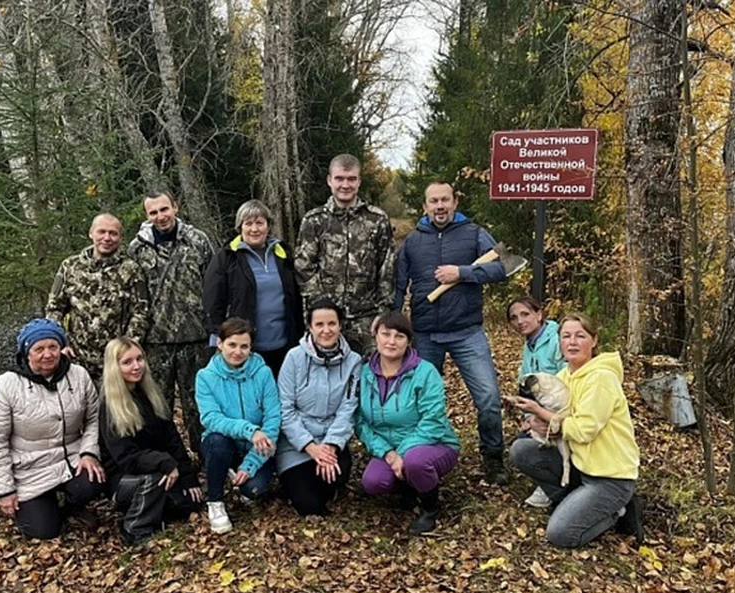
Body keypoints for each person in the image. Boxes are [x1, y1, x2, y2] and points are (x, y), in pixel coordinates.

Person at [393, 182, 509, 486]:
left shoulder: (474, 234)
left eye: (445, 199)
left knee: (488, 398)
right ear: (425, 206)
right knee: (418, 402)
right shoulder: (413, 242)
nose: (440, 205)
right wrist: (393, 323)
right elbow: (398, 286)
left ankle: (493, 457)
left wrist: (462, 273)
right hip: (426, 334)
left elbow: (500, 269)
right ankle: (420, 457)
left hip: (466, 332)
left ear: (454, 202)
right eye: (434, 201)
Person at [508, 313, 644, 548]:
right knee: (522, 449)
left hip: (609, 478)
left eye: (580, 336)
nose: (572, 342)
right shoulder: (564, 377)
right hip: (580, 467)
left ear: (594, 341)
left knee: (561, 534)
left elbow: (583, 431)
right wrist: (538, 424)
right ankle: (573, 500)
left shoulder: (601, 378)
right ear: (559, 342)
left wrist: (543, 416)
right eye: (566, 336)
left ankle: (617, 512)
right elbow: (557, 425)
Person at [0, 318, 105, 540]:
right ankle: (45, 507)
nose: (47, 354)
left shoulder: (78, 375)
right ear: (27, 352)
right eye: (39, 349)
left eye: (53, 347)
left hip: (71, 459)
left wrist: (88, 453)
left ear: (61, 348)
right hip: (29, 468)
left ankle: (72, 506)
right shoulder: (7, 385)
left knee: (94, 482)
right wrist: (4, 490)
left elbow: (93, 418)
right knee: (42, 531)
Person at [355, 312, 461, 535]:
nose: (391, 341)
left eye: (399, 336)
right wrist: (387, 453)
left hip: (434, 443)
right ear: (375, 336)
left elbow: (433, 421)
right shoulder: (364, 374)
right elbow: (360, 421)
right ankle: (410, 486)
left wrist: (401, 453)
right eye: (386, 334)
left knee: (415, 461)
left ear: (408, 341)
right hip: (389, 448)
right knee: (372, 482)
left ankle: (430, 509)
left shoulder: (425, 372)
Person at [127, 190, 215, 456]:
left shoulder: (197, 240)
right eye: (153, 212)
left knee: (198, 403)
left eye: (164, 209)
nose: (160, 216)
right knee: (158, 404)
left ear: (175, 207)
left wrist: (215, 330)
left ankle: (206, 455)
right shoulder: (136, 249)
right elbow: (133, 294)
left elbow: (213, 285)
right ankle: (166, 458)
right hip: (156, 341)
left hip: (196, 337)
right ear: (146, 215)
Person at [100, 337, 203, 546]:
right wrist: (165, 463)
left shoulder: (150, 393)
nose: (136, 366)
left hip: (160, 467)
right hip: (124, 478)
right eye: (127, 362)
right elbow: (126, 459)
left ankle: (157, 506)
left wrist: (187, 476)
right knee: (154, 480)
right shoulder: (110, 407)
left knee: (191, 503)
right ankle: (134, 528)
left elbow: (172, 438)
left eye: (139, 359)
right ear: (115, 367)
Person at [295, 153, 395, 354]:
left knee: (369, 377)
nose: (345, 185)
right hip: (327, 322)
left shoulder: (377, 219)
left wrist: (383, 313)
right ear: (329, 180)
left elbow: (387, 268)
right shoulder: (314, 220)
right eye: (340, 178)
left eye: (351, 179)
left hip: (367, 319)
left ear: (359, 181)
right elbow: (304, 267)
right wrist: (320, 310)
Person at [276, 299, 361, 516]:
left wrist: (330, 446)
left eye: (332, 324)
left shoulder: (353, 362)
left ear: (340, 325)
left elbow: (348, 408)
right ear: (310, 327)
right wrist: (310, 447)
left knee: (336, 478)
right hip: (296, 444)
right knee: (309, 506)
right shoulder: (294, 358)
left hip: (330, 439)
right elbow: (285, 409)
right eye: (319, 325)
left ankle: (325, 480)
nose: (326, 330)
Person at [195, 318, 280, 533]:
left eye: (244, 346)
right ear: (220, 343)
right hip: (223, 442)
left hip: (258, 447)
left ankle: (241, 476)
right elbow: (210, 418)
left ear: (251, 348)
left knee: (253, 491)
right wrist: (249, 430)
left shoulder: (263, 373)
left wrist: (251, 463)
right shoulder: (205, 377)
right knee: (217, 441)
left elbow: (273, 417)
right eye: (232, 345)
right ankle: (215, 502)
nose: (238, 352)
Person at [203, 199, 303, 377]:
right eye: (248, 223)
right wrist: (217, 337)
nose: (254, 229)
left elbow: (296, 296)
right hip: (244, 347)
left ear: (268, 226)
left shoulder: (282, 253)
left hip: (285, 345)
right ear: (240, 227)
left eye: (259, 223)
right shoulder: (226, 258)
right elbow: (213, 302)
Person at [46, 214, 149, 381]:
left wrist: (127, 350)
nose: (107, 238)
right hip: (76, 361)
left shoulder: (131, 270)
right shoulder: (70, 267)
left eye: (113, 233)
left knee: (115, 407)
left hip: (115, 363)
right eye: (101, 232)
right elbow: (54, 308)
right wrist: (59, 344)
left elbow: (141, 312)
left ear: (120, 237)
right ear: (91, 233)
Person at [507, 295, 566, 508]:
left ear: (539, 314)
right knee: (520, 441)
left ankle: (558, 489)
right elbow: (525, 386)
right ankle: (555, 482)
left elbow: (564, 386)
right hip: (541, 410)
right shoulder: (529, 345)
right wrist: (528, 416)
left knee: (525, 446)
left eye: (525, 314)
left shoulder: (557, 340)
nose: (520, 321)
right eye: (514, 318)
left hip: (562, 410)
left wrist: (542, 416)